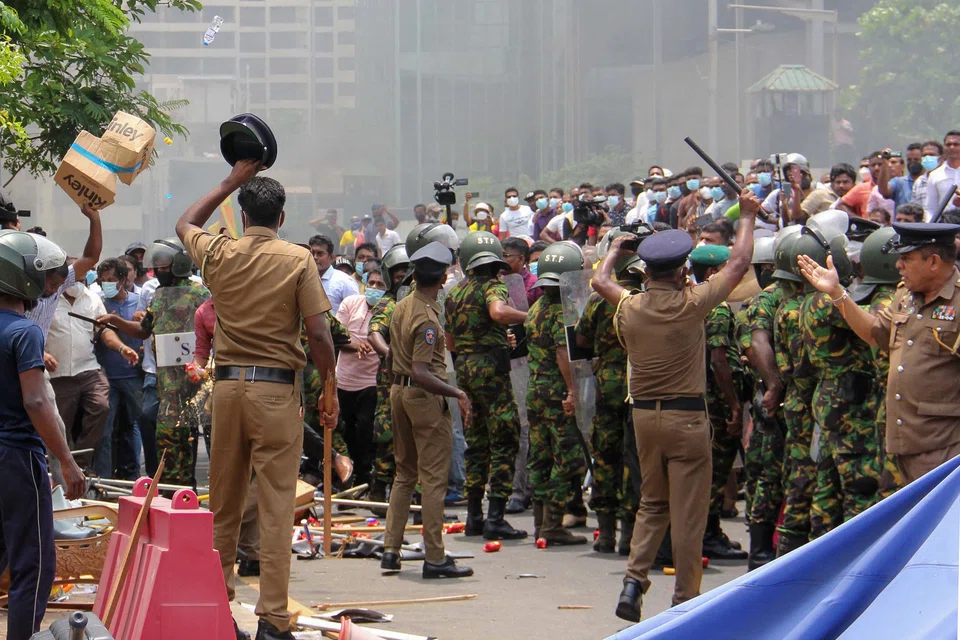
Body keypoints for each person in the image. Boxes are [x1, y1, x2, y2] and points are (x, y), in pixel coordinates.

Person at [176, 160, 339, 640]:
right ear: (282, 218)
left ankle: (217, 610)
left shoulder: (219, 253)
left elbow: (185, 223)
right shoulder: (297, 259)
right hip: (275, 393)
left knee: (222, 508)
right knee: (274, 506)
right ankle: (271, 619)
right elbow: (319, 334)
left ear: (241, 214)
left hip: (225, 390)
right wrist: (328, 384)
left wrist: (230, 181)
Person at [595, 188, 758, 622]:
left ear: (645, 269)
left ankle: (634, 580)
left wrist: (613, 248)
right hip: (687, 418)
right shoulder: (693, 304)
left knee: (653, 502)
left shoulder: (629, 307)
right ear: (684, 268)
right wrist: (747, 216)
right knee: (688, 512)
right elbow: (739, 263)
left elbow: (600, 282)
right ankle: (685, 600)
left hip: (644, 416)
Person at [798, 221, 960, 485]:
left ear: (933, 262)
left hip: (946, 450)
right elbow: (875, 333)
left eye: (906, 258)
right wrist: (838, 293)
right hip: (902, 445)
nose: (898, 265)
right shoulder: (906, 296)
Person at [0, 230, 86, 640]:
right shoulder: (23, 332)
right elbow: (37, 402)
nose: (51, 285)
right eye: (47, 277)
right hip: (16, 457)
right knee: (33, 564)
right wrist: (66, 460)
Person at [379, 242, 474, 579]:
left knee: (404, 474)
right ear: (444, 277)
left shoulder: (402, 306)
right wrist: (457, 392)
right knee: (433, 480)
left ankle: (391, 550)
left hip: (398, 394)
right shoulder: (427, 316)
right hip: (422, 396)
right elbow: (422, 370)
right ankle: (435, 556)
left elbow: (391, 358)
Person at [793, 228, 882, 539]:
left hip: (830, 397)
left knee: (827, 487)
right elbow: (877, 326)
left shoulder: (808, 300)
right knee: (860, 486)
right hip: (849, 405)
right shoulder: (827, 301)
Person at [100, 239, 209, 486]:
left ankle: (184, 482)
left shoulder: (199, 293)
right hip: (164, 378)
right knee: (161, 427)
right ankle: (167, 481)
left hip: (193, 375)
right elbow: (143, 329)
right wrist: (115, 321)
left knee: (186, 430)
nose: (157, 272)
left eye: (162, 267)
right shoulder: (158, 295)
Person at [445, 232, 528, 541]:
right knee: (506, 438)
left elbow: (450, 340)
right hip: (492, 371)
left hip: (465, 368)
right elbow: (497, 312)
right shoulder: (493, 285)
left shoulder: (454, 293)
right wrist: (527, 317)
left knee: (476, 443)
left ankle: (474, 517)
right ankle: (495, 516)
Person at [574, 239, 643, 555]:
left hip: (606, 386)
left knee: (604, 456)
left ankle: (604, 534)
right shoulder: (644, 298)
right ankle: (629, 536)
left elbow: (582, 339)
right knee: (633, 460)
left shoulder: (598, 299)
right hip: (636, 386)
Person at [25, 204, 102, 485]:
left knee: (55, 430)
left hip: (35, 367)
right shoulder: (18, 287)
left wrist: (94, 218)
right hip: (12, 362)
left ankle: (60, 496)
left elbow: (91, 256)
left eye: (60, 282)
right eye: (51, 283)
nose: (54, 288)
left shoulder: (60, 281)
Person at [524, 241, 589, 546]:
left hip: (536, 391)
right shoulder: (562, 311)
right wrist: (573, 392)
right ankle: (552, 524)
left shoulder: (535, 308)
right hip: (556, 393)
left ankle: (540, 524)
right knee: (567, 458)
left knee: (539, 457)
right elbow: (564, 354)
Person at [687, 244, 749, 561]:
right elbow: (719, 360)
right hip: (716, 402)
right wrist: (734, 405)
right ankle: (708, 535)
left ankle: (709, 532)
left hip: (696, 396)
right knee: (715, 469)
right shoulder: (719, 308)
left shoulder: (691, 300)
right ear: (713, 273)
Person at [47, 267, 138, 472]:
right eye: (74, 280)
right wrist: (42, 354)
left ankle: (82, 465)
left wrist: (122, 348)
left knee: (101, 407)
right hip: (58, 374)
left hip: (88, 369)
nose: (78, 285)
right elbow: (35, 330)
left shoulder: (92, 299)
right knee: (60, 427)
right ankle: (61, 472)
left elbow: (103, 330)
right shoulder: (48, 300)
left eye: (82, 280)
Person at [738, 236, 786, 571]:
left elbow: (753, 347)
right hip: (790, 400)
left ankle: (761, 555)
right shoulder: (810, 296)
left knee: (765, 476)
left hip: (770, 401)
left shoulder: (762, 301)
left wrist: (771, 386)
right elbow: (756, 345)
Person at [366, 245, 410, 509]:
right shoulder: (387, 303)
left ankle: (414, 499)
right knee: (386, 434)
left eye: (406, 270)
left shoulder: (421, 300)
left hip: (419, 377)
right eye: (397, 272)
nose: (402, 275)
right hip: (390, 379)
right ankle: (378, 492)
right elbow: (375, 334)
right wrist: (390, 354)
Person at [334, 267, 386, 489]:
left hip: (370, 384)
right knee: (345, 431)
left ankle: (366, 480)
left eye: (380, 285)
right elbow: (335, 335)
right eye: (371, 283)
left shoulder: (389, 310)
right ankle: (348, 481)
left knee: (366, 432)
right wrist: (354, 345)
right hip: (343, 381)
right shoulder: (350, 303)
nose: (374, 288)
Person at [94, 258, 144, 480]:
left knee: (137, 426)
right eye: (103, 280)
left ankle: (135, 478)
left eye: (112, 280)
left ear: (124, 280)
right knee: (104, 432)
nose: (107, 284)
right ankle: (104, 481)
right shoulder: (97, 303)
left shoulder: (140, 302)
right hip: (107, 376)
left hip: (134, 376)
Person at [309, 234, 360, 314]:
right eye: (312, 253)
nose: (315, 257)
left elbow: (356, 313)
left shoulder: (345, 282)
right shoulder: (304, 280)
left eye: (320, 254)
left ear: (331, 257)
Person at [924, 131, 960, 221]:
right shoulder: (935, 175)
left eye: (956, 144)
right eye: (948, 144)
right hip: (945, 226)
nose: (952, 147)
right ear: (944, 148)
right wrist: (932, 229)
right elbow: (930, 208)